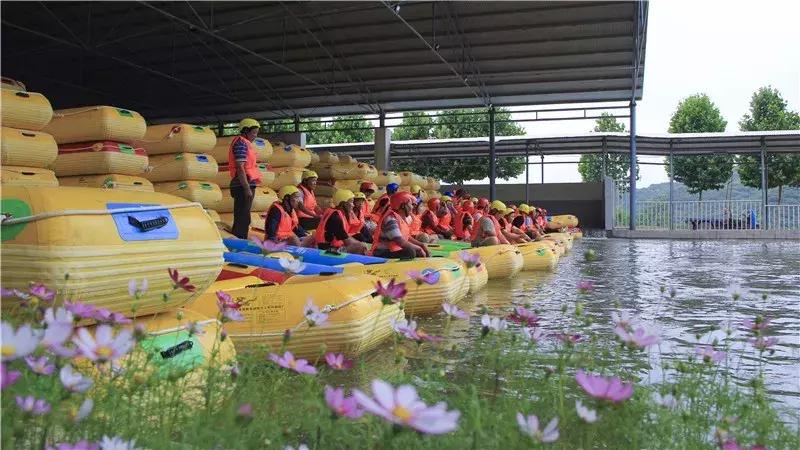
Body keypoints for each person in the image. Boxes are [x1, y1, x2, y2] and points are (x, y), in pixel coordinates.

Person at [228, 118, 263, 239]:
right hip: (242, 184)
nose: (255, 136)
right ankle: (239, 241)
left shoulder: (245, 143)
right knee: (243, 217)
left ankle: (239, 239)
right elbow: (240, 167)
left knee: (244, 216)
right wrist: (247, 188)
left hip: (245, 184)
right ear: (246, 131)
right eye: (254, 133)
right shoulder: (241, 143)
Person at [371, 192, 430, 258]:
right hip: (381, 252)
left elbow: (406, 237)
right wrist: (418, 248)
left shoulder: (400, 218)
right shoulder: (391, 219)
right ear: (403, 205)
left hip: (393, 250)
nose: (412, 207)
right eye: (410, 204)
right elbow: (400, 241)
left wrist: (421, 245)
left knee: (414, 250)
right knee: (410, 251)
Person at [314, 190, 368, 254]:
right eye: (351, 202)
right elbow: (347, 241)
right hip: (326, 250)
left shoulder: (337, 213)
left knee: (360, 243)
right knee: (361, 246)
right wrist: (361, 245)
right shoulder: (336, 218)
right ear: (343, 204)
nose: (353, 205)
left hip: (329, 246)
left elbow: (344, 236)